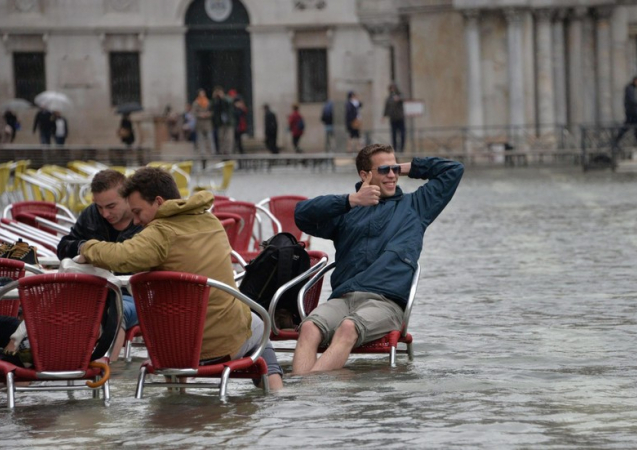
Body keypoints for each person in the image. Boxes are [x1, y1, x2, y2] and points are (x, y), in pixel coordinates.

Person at [77, 167, 283, 389]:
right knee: (259, 323)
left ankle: (178, 398)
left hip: (170, 350)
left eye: (138, 212)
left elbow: (119, 256)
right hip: (218, 345)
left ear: (158, 202)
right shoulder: (211, 222)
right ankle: (276, 392)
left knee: (180, 324)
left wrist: (86, 246)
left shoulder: (159, 233)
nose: (135, 221)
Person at [291, 144, 464, 374]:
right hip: (343, 299)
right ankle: (304, 399)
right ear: (365, 175)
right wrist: (350, 200)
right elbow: (301, 214)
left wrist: (404, 168)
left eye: (394, 169)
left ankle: (302, 393)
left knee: (347, 327)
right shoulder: (347, 210)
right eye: (384, 169)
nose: (392, 175)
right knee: (310, 328)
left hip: (385, 303)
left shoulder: (416, 206)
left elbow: (454, 170)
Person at [57, 169, 143, 361]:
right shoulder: (91, 214)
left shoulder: (144, 220)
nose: (105, 213)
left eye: (111, 206)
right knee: (51, 306)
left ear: (128, 198)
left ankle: (105, 375)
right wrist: (82, 248)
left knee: (114, 310)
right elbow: (63, 247)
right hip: (93, 291)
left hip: (133, 294)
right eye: (100, 207)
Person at [614, 76, 637, 147]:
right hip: (631, 111)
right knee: (630, 126)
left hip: (632, 111)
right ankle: (616, 140)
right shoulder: (630, 88)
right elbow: (632, 99)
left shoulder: (632, 88)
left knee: (636, 127)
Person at [382, 83, 406, 153]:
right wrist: (384, 116)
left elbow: (403, 98)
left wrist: (398, 98)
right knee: (394, 135)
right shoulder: (389, 98)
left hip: (400, 118)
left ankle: (401, 148)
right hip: (393, 118)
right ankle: (395, 148)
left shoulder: (399, 95)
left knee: (402, 134)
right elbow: (386, 108)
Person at [211, 86, 234, 155]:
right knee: (221, 137)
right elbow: (212, 107)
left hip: (228, 121)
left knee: (229, 138)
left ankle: (228, 151)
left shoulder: (227, 98)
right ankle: (222, 151)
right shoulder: (216, 101)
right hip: (220, 122)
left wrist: (223, 97)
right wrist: (215, 98)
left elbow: (230, 102)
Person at [192, 89, 215, 155]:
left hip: (207, 122)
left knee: (210, 137)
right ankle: (202, 152)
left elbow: (212, 111)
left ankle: (212, 152)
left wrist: (208, 114)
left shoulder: (208, 102)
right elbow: (194, 112)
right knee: (200, 138)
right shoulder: (196, 103)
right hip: (200, 123)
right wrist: (200, 114)